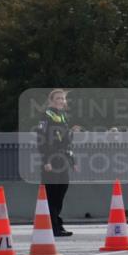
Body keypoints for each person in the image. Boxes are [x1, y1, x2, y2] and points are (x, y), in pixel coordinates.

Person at [34, 89, 79, 237]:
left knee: (60, 193)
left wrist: (73, 161)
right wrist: (46, 160)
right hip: (51, 161)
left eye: (63, 99)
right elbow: (41, 140)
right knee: (51, 195)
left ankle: (57, 225)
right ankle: (52, 227)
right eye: (58, 98)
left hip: (62, 161)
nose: (61, 101)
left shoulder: (62, 116)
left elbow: (66, 142)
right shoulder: (46, 115)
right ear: (51, 100)